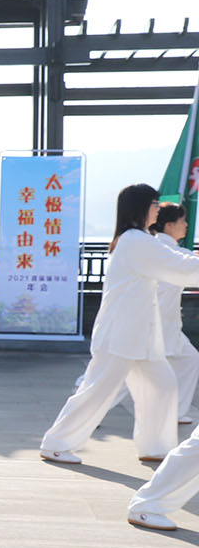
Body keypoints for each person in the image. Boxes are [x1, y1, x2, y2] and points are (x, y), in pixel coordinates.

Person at [39, 183, 199, 465]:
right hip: (122, 334)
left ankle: (156, 447)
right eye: (154, 203)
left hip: (139, 336)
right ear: (140, 207)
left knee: (162, 386)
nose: (158, 208)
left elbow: (179, 266)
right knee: (97, 391)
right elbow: (181, 269)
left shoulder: (138, 239)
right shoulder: (136, 241)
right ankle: (56, 443)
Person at [151, 203, 199, 424]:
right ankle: (87, 400)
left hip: (167, 322)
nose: (187, 225)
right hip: (152, 324)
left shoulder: (157, 247)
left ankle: (176, 411)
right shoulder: (170, 252)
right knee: (124, 374)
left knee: (190, 360)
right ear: (170, 225)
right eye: (183, 221)